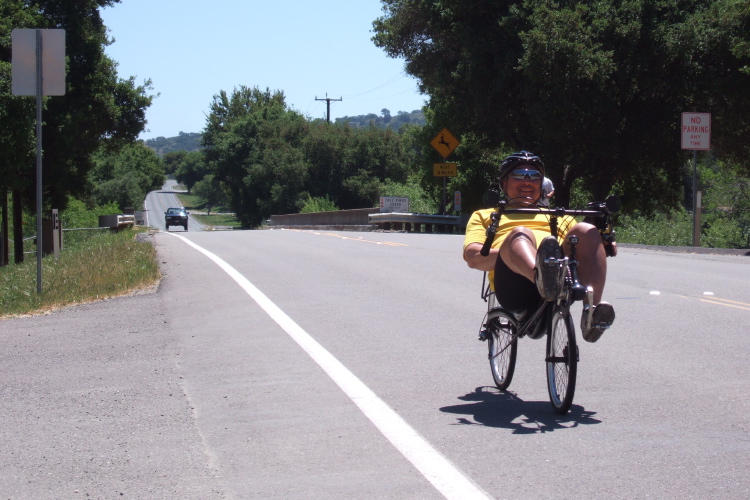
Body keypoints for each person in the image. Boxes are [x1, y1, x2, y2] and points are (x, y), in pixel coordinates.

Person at [463, 151, 616, 342]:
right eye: (519, 175)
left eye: (534, 177)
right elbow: (473, 257)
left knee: (586, 229)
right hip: (514, 286)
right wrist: (510, 253)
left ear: (541, 185)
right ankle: (543, 276)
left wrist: (600, 243)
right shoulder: (486, 216)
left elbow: (585, 251)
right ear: (504, 183)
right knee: (520, 234)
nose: (527, 181)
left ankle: (591, 314)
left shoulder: (561, 216)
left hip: (561, 277)